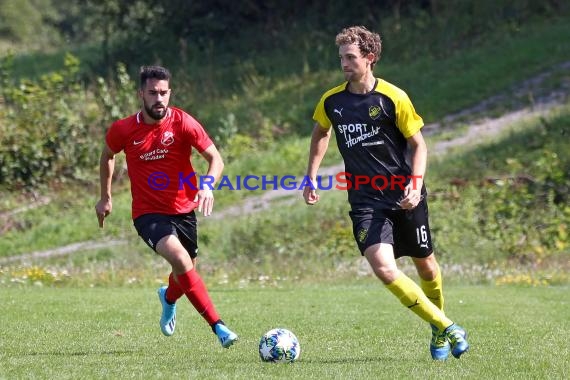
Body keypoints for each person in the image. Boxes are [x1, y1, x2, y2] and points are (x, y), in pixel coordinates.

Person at [303, 26, 469, 360]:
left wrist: (417, 184)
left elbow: (418, 144)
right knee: (383, 268)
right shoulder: (332, 100)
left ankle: (438, 330)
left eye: (351, 58)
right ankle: (448, 327)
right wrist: (311, 175)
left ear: (370, 58)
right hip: (365, 201)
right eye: (341, 58)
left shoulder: (393, 97)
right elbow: (321, 132)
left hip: (404, 194)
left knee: (426, 267)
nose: (344, 64)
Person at [95, 65, 238, 348]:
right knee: (182, 261)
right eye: (152, 93)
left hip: (184, 209)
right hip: (148, 214)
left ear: (169, 93)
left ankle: (168, 297)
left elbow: (215, 159)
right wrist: (105, 196)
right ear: (141, 94)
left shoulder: (183, 122)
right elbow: (107, 155)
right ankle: (219, 327)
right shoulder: (123, 128)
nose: (158, 99)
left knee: (185, 272)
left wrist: (207, 185)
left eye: (163, 93)